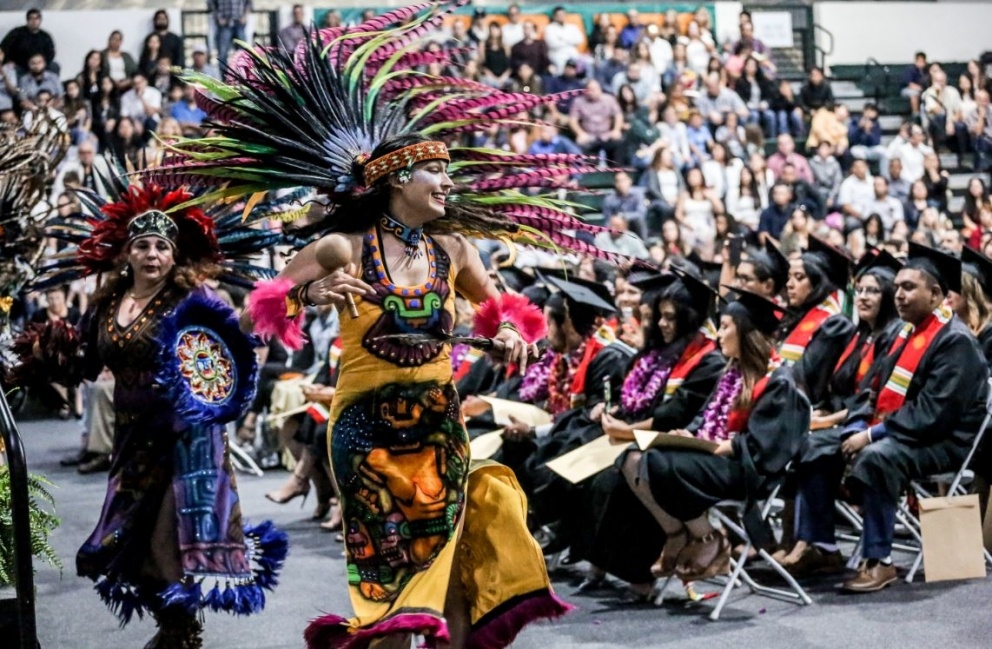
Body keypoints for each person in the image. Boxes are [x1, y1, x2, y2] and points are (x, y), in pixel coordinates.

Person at [144, 8, 644, 643]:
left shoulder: (455, 250)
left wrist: (509, 331)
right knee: (391, 577)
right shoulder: (341, 247)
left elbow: (501, 310)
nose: (448, 183)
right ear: (398, 177)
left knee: (451, 565)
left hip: (439, 419)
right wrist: (312, 296)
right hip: (364, 426)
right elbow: (256, 315)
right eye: (437, 171)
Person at [16, 180, 290, 645]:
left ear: (173, 255)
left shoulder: (190, 302)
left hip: (183, 444)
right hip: (131, 445)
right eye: (142, 245)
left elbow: (229, 347)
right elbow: (82, 363)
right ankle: (175, 628)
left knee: (167, 545)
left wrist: (279, 300)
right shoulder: (105, 308)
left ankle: (183, 636)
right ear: (127, 252)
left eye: (161, 247)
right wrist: (32, 361)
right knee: (135, 548)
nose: (152, 255)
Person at [785, 243, 988, 592]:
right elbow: (869, 393)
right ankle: (822, 546)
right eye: (897, 288)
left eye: (909, 288)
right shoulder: (901, 333)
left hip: (944, 440)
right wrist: (854, 426)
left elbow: (933, 414)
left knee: (878, 457)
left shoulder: (955, 342)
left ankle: (879, 561)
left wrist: (871, 435)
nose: (899, 295)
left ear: (937, 293)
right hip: (900, 429)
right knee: (813, 446)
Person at [620, 286, 810, 582]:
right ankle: (677, 534)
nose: (718, 335)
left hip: (746, 471)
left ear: (745, 333)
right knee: (631, 460)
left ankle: (710, 538)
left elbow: (764, 447)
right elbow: (706, 418)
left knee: (658, 463)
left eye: (724, 327)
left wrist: (713, 446)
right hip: (716, 459)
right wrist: (690, 434)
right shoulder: (731, 372)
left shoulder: (778, 381)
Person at [574, 270, 726, 598]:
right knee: (586, 458)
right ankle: (598, 561)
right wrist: (616, 416)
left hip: (677, 442)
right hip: (641, 436)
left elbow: (677, 413)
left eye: (670, 317)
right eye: (659, 316)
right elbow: (634, 398)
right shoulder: (657, 352)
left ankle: (639, 574)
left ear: (689, 319)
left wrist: (627, 431)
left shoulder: (708, 360)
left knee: (618, 477)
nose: (661, 324)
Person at [779, 237, 857, 406]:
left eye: (799, 277)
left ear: (817, 283)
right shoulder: (796, 316)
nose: (789, 284)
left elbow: (805, 377)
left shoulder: (835, 325)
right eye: (789, 277)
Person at [952, 247, 992, 366]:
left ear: (970, 293)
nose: (947, 293)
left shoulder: (989, 334)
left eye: (955, 287)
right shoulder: (949, 326)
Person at [1, 8, 56, 73]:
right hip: (19, 65)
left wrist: (41, 63)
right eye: (31, 18)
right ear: (27, 20)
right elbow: (3, 48)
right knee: (8, 69)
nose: (34, 21)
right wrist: (8, 61)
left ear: (40, 20)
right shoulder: (17, 33)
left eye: (36, 18)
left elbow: (51, 53)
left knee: (54, 66)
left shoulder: (45, 36)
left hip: (40, 65)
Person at [209, 0, 252, 67]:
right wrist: (218, 18)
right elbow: (212, 3)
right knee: (222, 54)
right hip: (224, 24)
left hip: (239, 23)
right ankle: (224, 76)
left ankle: (241, 75)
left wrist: (245, 16)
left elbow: (248, 2)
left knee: (242, 53)